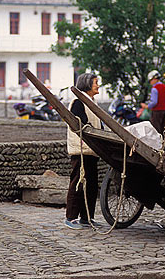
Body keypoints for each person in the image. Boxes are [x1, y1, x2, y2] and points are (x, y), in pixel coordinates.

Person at [64, 73, 102, 230]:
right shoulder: (78, 102)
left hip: (91, 150)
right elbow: (81, 124)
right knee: (78, 183)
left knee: (92, 185)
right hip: (81, 149)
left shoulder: (92, 103)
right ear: (87, 85)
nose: (98, 85)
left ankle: (87, 217)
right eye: (95, 82)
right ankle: (71, 217)